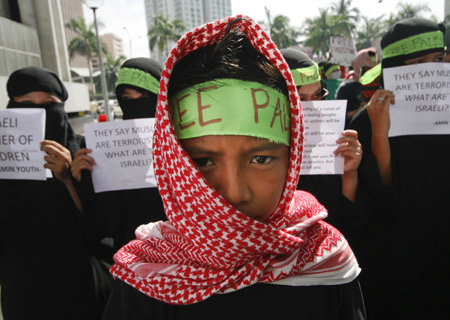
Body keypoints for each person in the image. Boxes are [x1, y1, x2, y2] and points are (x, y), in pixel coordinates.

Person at [101, 16, 366, 319]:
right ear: (171, 162)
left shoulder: (326, 258)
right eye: (203, 162)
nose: (235, 193)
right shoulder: (144, 278)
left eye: (261, 159)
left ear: (291, 160)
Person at [349, 18, 449, 318]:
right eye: (418, 63)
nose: (431, 70)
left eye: (439, 59)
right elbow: (387, 196)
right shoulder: (366, 122)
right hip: (401, 261)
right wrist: (381, 132)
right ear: (394, 68)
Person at [0, 67, 100, 319]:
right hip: (21, 286)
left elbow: (98, 228)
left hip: (77, 284)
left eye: (49, 104)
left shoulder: (83, 155)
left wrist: (68, 179)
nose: (41, 113)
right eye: (26, 104)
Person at [70, 57, 166, 254]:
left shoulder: (184, 142)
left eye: (145, 96)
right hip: (129, 259)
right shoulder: (107, 147)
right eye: (127, 99)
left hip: (182, 253)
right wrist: (86, 180)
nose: (135, 104)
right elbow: (101, 224)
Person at [280, 48, 367, 262]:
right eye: (301, 99)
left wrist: (349, 174)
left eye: (318, 96)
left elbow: (350, 224)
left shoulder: (331, 143)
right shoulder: (261, 157)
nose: (313, 108)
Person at [336, 47, 378, 123]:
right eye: (368, 67)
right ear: (359, 65)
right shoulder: (346, 88)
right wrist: (360, 110)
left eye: (374, 67)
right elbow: (340, 116)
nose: (371, 70)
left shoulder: (379, 84)